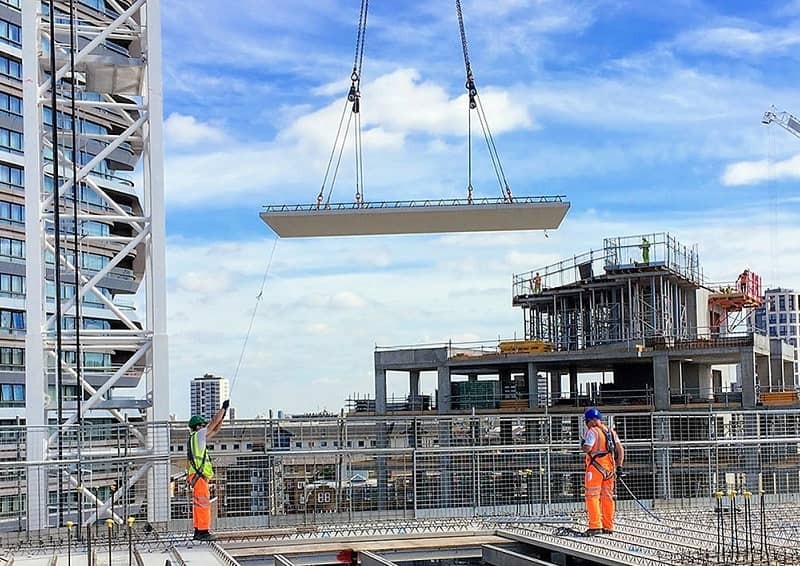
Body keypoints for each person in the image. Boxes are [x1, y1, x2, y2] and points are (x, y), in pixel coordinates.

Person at [187, 399, 229, 540]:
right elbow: (212, 424)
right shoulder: (199, 435)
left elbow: (216, 429)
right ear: (198, 427)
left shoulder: (196, 438)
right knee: (203, 504)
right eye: (203, 425)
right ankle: (203, 531)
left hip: (196, 476)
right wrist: (223, 409)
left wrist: (223, 416)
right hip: (199, 476)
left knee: (199, 504)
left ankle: (198, 530)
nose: (205, 427)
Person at [582, 407, 624, 536]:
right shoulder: (610, 432)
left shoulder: (592, 432)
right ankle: (608, 526)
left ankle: (595, 526)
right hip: (609, 469)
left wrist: (583, 445)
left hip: (595, 469)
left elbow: (588, 448)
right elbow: (620, 449)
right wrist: (619, 466)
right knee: (607, 497)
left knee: (592, 496)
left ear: (590, 421)